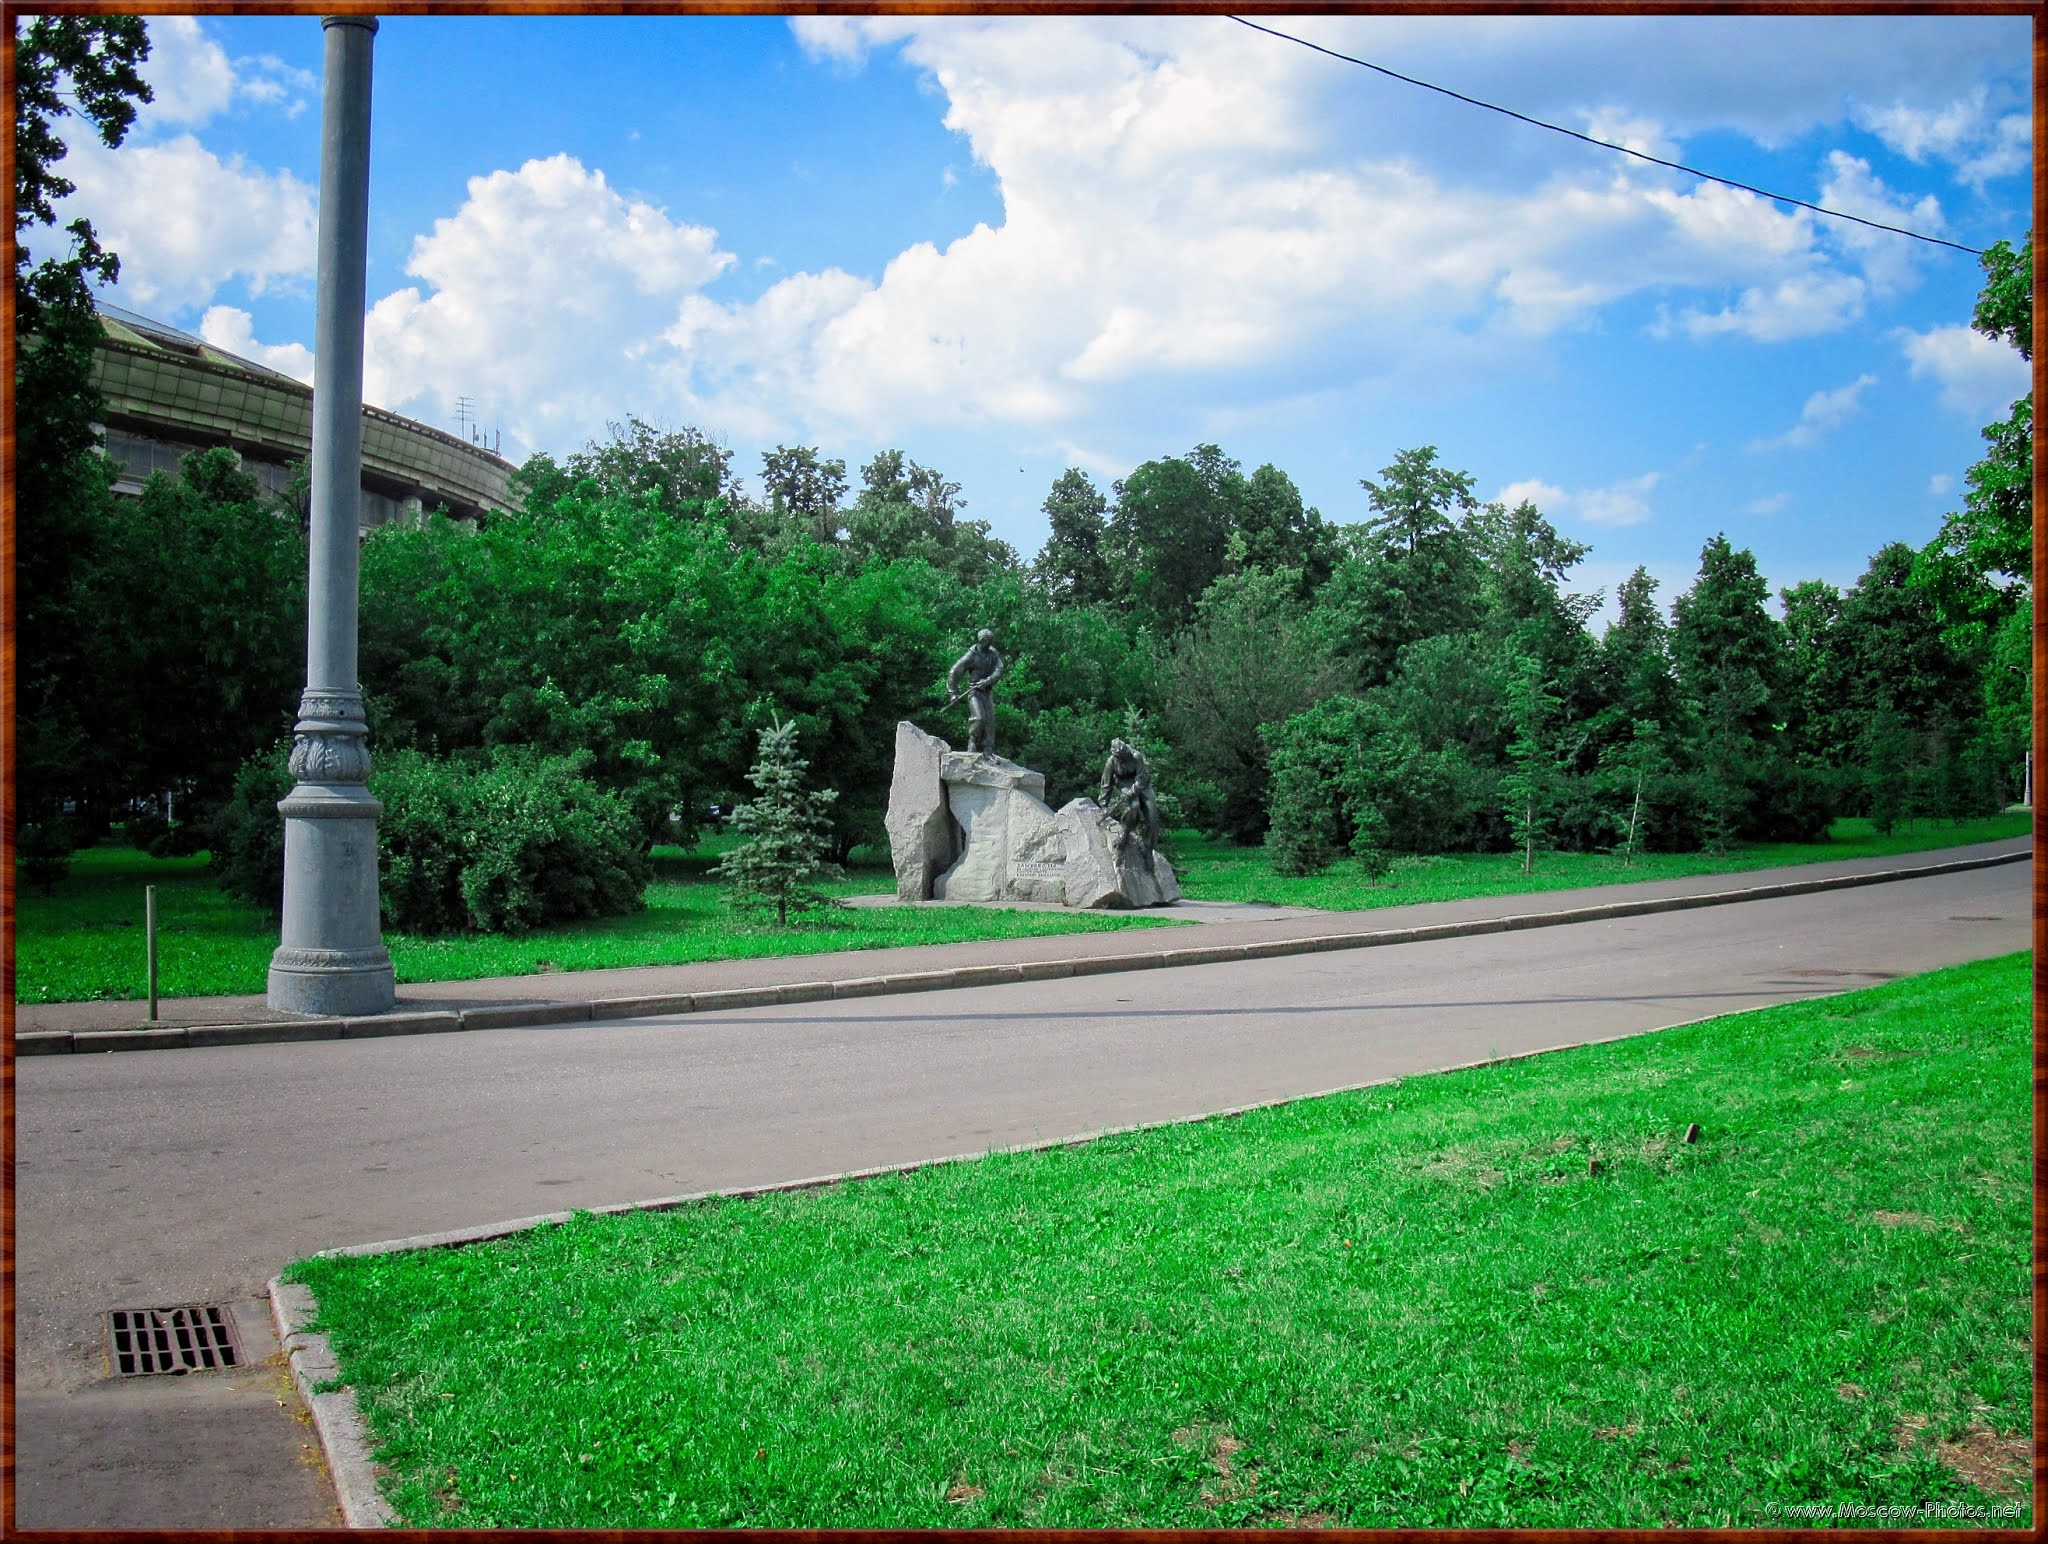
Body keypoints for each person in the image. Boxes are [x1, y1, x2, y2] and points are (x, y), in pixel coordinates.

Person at [946, 628, 1005, 755]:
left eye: (991, 641)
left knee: (990, 720)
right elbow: (954, 672)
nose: (989, 644)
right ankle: (972, 740)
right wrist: (952, 693)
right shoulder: (971, 655)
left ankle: (988, 748)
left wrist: (987, 681)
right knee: (979, 717)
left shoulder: (993, 653)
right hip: (974, 691)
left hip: (987, 691)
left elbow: (999, 669)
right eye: (987, 641)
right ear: (981, 641)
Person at [1099, 736, 1159, 857]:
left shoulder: (1136, 756)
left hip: (1143, 785)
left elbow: (1142, 777)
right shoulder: (1111, 762)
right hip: (1124, 783)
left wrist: (1134, 790)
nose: (1123, 758)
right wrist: (1104, 805)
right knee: (1134, 807)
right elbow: (1106, 784)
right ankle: (1125, 833)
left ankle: (1148, 849)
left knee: (1152, 816)